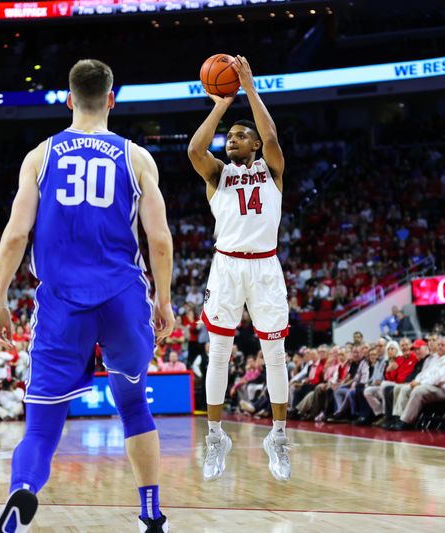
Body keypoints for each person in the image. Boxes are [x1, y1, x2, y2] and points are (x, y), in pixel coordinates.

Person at [0, 59, 174, 533]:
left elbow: (15, 235)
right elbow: (160, 240)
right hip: (122, 297)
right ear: (111, 100)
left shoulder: (40, 156)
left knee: (43, 423)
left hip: (61, 302)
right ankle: (151, 516)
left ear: (69, 100)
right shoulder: (136, 158)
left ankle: (22, 492)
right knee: (133, 405)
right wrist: (165, 300)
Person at [188, 55, 291, 482]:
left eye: (240, 135)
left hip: (265, 267)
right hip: (227, 267)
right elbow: (195, 149)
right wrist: (221, 105)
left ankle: (279, 437)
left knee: (274, 355)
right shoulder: (217, 175)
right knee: (218, 354)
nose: (232, 138)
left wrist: (248, 88)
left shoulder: (273, 171)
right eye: (229, 136)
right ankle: (215, 436)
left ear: (254, 146)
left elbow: (271, 135)